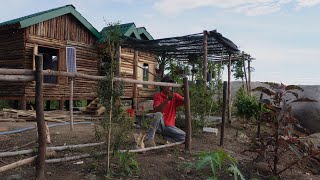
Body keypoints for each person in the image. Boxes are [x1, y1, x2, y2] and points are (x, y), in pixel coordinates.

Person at [145, 76, 186, 147]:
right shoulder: (158, 96)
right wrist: (168, 100)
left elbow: (186, 101)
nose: (169, 87)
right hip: (160, 125)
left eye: (171, 85)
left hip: (169, 127)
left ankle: (165, 137)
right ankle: (150, 139)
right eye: (167, 85)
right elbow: (156, 110)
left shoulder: (175, 96)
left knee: (186, 138)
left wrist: (185, 92)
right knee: (158, 114)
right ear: (162, 86)